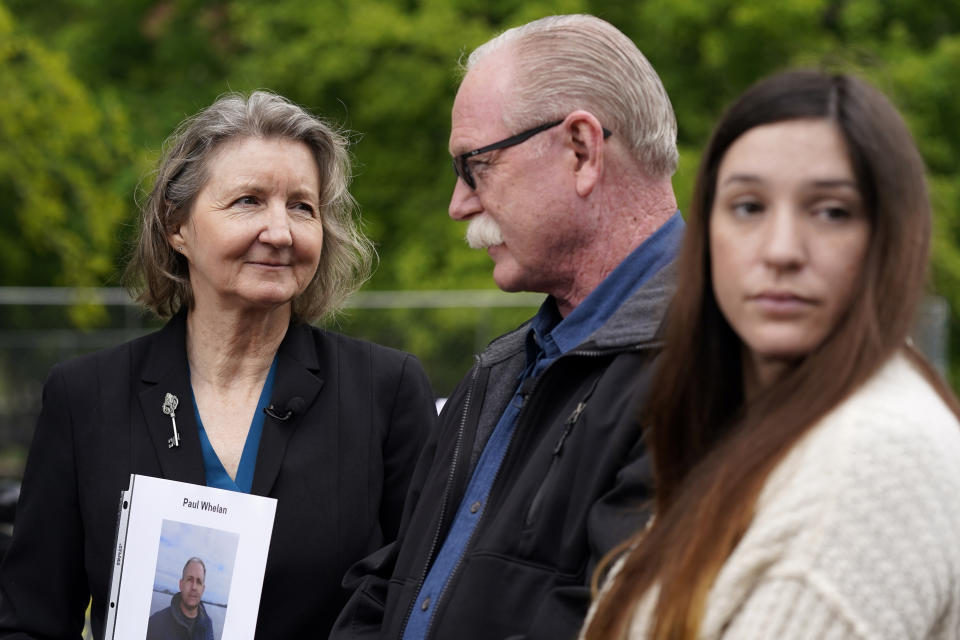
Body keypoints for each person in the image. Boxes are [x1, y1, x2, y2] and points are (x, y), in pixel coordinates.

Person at [0, 91, 437, 639]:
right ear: (176, 227)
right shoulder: (84, 396)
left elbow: (424, 602)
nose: (280, 232)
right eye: (249, 201)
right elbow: (31, 620)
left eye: (302, 206)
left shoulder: (385, 392)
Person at [332, 14, 682, 640]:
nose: (458, 204)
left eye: (476, 165)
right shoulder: (501, 372)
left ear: (581, 149)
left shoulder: (705, 369)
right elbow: (394, 582)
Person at [581, 70, 960, 640]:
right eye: (749, 206)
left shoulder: (874, 454)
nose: (782, 250)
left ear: (889, 239)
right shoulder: (750, 421)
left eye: (832, 211)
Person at [146, 557, 214, 640]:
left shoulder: (208, 625)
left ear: (203, 589)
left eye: (199, 582)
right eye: (189, 579)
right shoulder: (156, 623)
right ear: (181, 584)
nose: (194, 587)